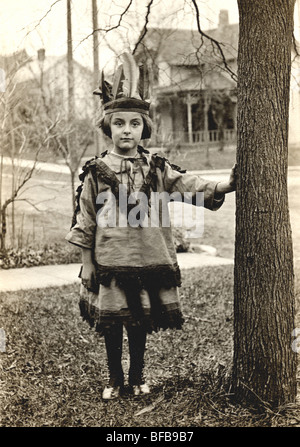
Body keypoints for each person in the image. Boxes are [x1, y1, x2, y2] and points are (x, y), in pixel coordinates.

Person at [66, 53, 236, 400]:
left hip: (147, 259)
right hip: (110, 261)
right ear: (107, 127)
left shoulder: (157, 167)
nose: (126, 130)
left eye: (134, 123)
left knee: (138, 321)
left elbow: (189, 185)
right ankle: (115, 378)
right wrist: (87, 264)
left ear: (145, 127)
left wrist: (223, 186)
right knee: (113, 322)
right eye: (119, 123)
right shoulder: (95, 172)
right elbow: (84, 219)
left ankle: (138, 375)